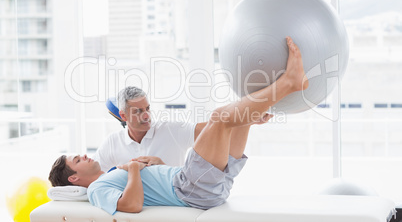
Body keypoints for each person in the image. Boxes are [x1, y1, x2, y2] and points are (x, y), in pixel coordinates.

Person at [49, 36, 308, 215]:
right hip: (192, 186)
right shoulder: (97, 186)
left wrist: (249, 117)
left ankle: (279, 91)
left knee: (231, 123)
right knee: (222, 118)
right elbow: (131, 205)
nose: (84, 154)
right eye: (77, 159)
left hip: (202, 184)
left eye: (148, 108)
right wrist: (134, 170)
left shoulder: (107, 176)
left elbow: (205, 130)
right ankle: (289, 83)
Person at [93, 86, 207, 171]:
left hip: (172, 202)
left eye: (147, 109)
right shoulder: (113, 141)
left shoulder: (171, 130)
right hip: (137, 202)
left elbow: (212, 130)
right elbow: (92, 174)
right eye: (138, 111)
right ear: (123, 116)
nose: (146, 115)